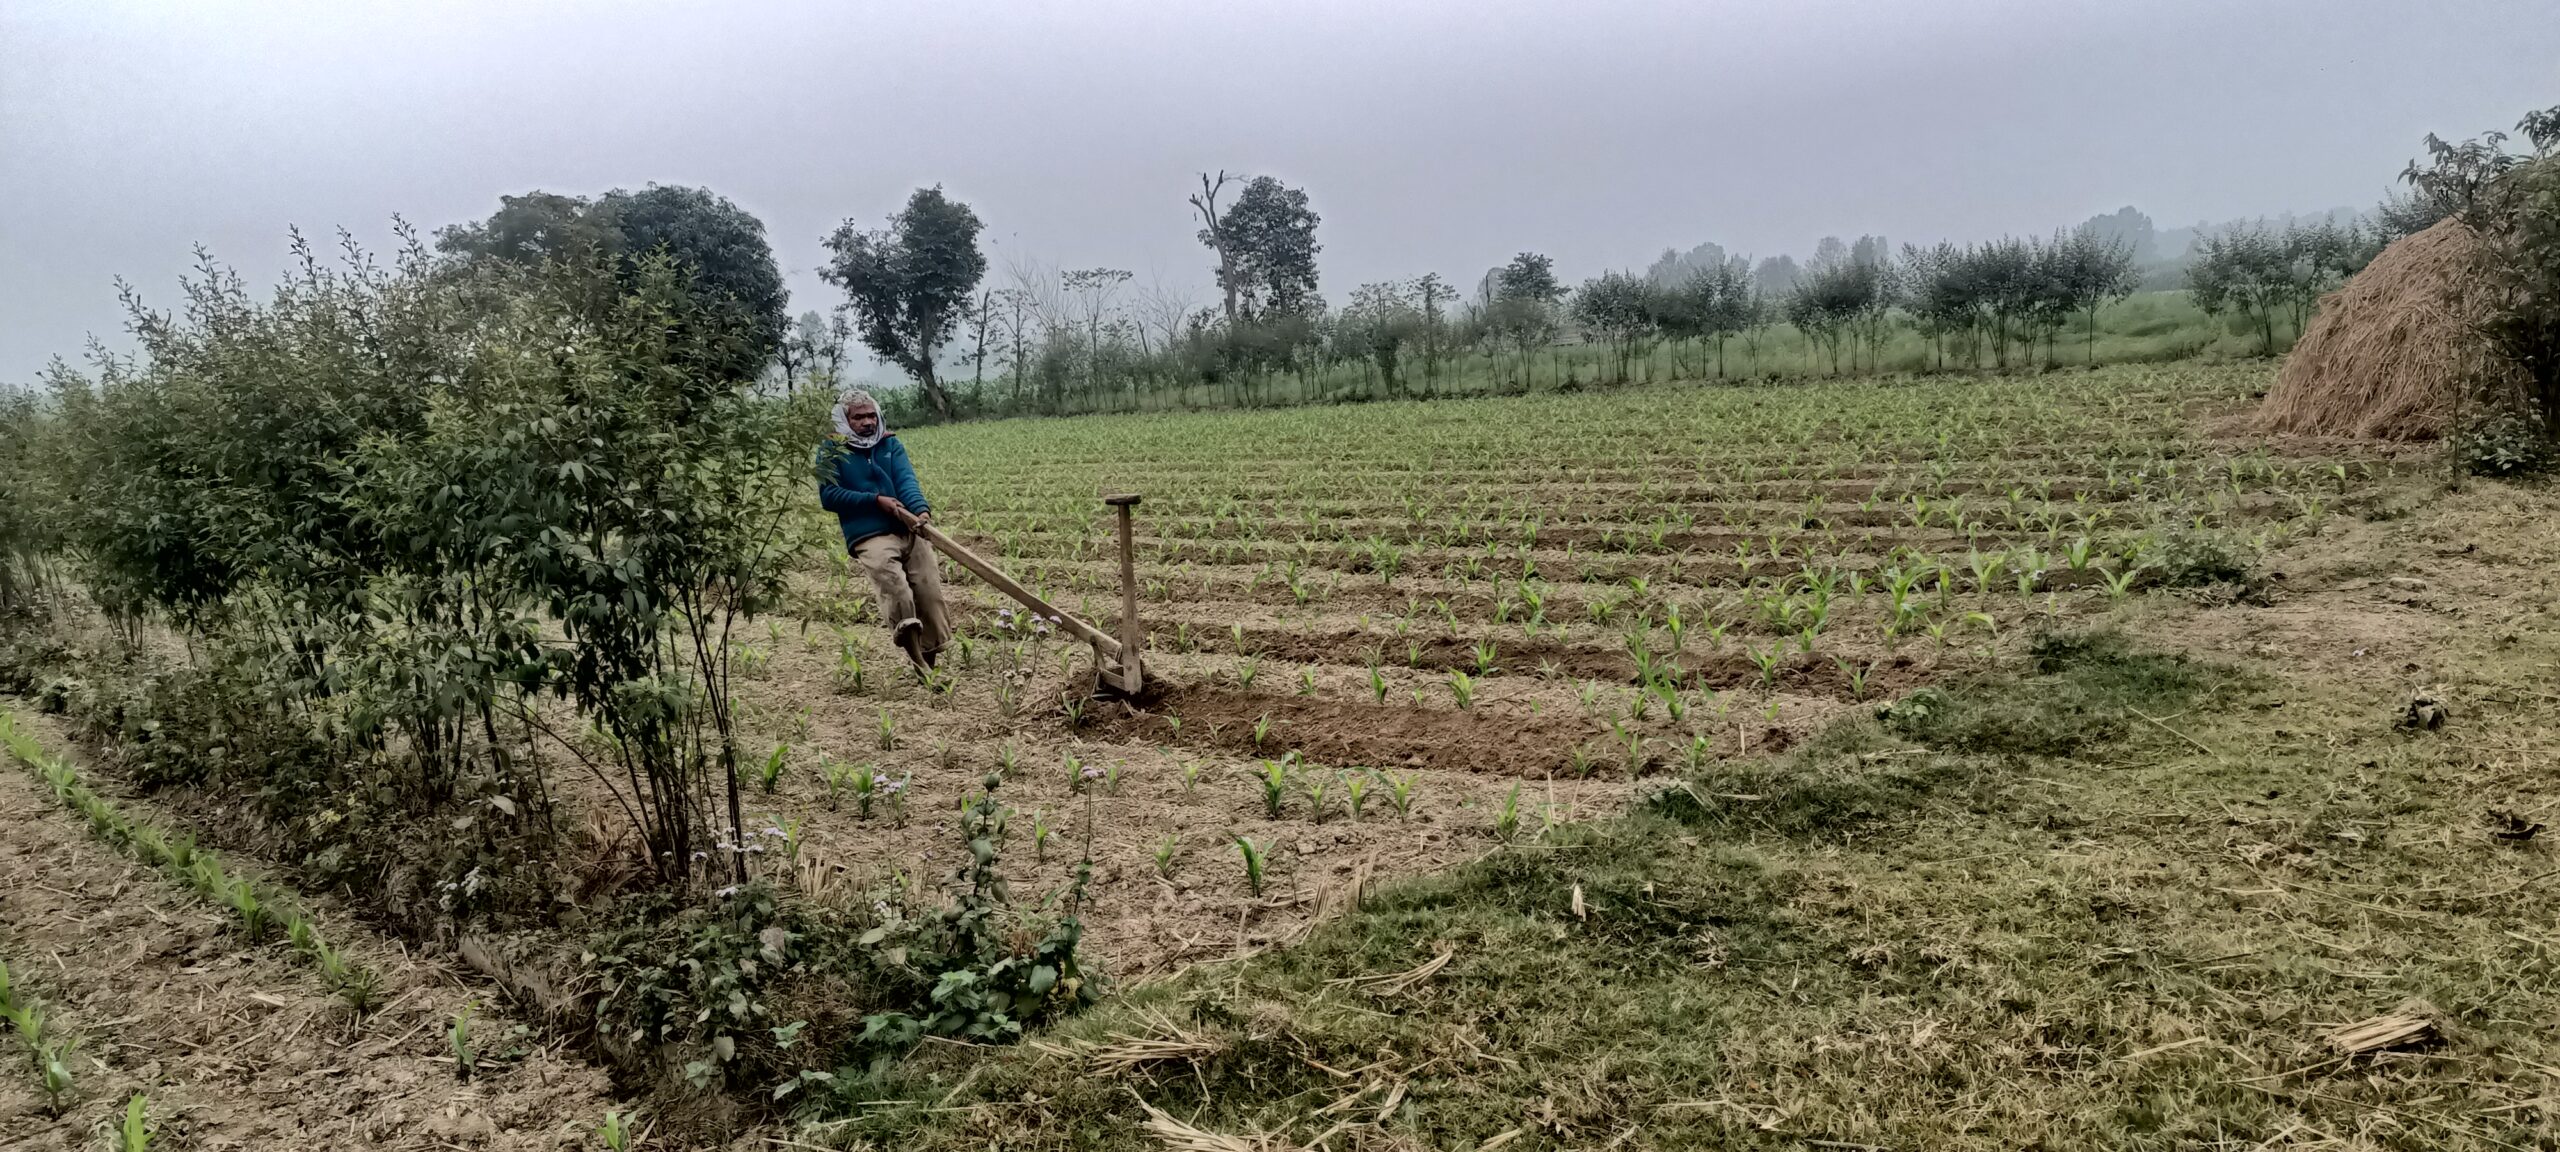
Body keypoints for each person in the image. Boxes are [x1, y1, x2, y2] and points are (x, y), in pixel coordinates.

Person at [816, 389, 950, 669]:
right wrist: (875, 501)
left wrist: (920, 511)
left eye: (871, 416)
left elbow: (906, 480)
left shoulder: (889, 445)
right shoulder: (831, 450)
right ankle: (918, 661)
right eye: (858, 417)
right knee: (897, 590)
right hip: (870, 533)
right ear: (844, 420)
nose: (867, 422)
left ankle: (930, 663)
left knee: (929, 592)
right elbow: (829, 496)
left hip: (907, 528)